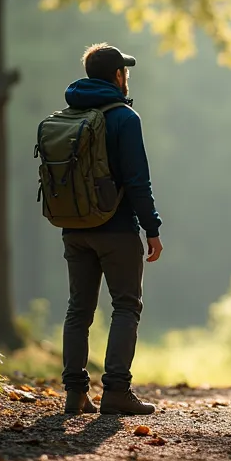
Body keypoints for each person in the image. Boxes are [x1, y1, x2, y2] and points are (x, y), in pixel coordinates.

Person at [60, 43, 164, 416]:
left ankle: (75, 394)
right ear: (118, 76)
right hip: (117, 230)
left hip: (74, 228)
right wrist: (152, 228)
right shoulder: (123, 117)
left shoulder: (70, 114)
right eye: (125, 72)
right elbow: (138, 181)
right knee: (125, 306)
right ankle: (116, 392)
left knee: (79, 310)